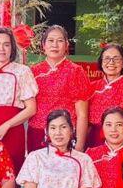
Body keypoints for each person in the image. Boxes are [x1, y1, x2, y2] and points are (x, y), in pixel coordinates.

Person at [0, 27, 37, 186]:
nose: (1, 49)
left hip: (13, 130)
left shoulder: (22, 72)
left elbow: (31, 108)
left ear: (12, 48)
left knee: (11, 174)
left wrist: (7, 125)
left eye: (6, 44)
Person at [28, 26, 91, 155]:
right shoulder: (33, 72)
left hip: (65, 134)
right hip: (37, 133)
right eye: (50, 40)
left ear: (66, 45)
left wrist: (79, 145)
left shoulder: (76, 71)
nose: (55, 45)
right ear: (43, 45)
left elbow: (82, 114)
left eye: (60, 41)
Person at [86, 43, 123, 148]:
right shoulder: (91, 87)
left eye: (116, 59)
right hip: (94, 142)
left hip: (121, 143)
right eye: (107, 58)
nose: (111, 62)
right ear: (101, 63)